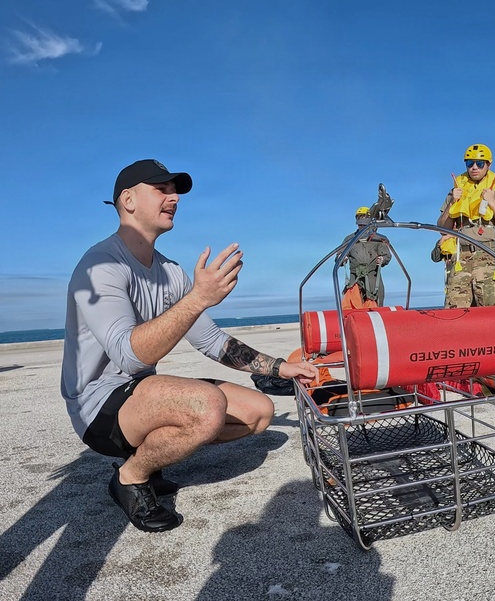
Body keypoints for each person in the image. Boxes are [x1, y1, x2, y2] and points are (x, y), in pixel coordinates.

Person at [60, 159, 319, 533]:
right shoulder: (100, 266)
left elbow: (212, 341)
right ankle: (131, 477)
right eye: (161, 189)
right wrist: (198, 298)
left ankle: (148, 456)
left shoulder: (171, 273)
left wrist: (279, 367)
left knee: (259, 412)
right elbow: (131, 356)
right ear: (128, 200)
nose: (174, 197)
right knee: (207, 407)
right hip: (97, 407)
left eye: (175, 190)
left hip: (138, 394)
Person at [436, 144, 495, 308]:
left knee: (491, 312)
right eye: (469, 163)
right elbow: (442, 228)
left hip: (489, 256)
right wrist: (452, 203)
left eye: (479, 164)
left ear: (489, 165)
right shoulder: (456, 190)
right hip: (460, 257)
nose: (474, 167)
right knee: (454, 313)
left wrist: (494, 204)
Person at [339, 206, 392, 307]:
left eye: (364, 220)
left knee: (377, 306)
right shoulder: (349, 239)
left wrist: (383, 259)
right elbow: (339, 256)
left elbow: (387, 255)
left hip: (373, 278)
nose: (362, 225)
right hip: (355, 279)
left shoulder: (379, 239)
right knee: (353, 307)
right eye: (360, 220)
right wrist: (342, 259)